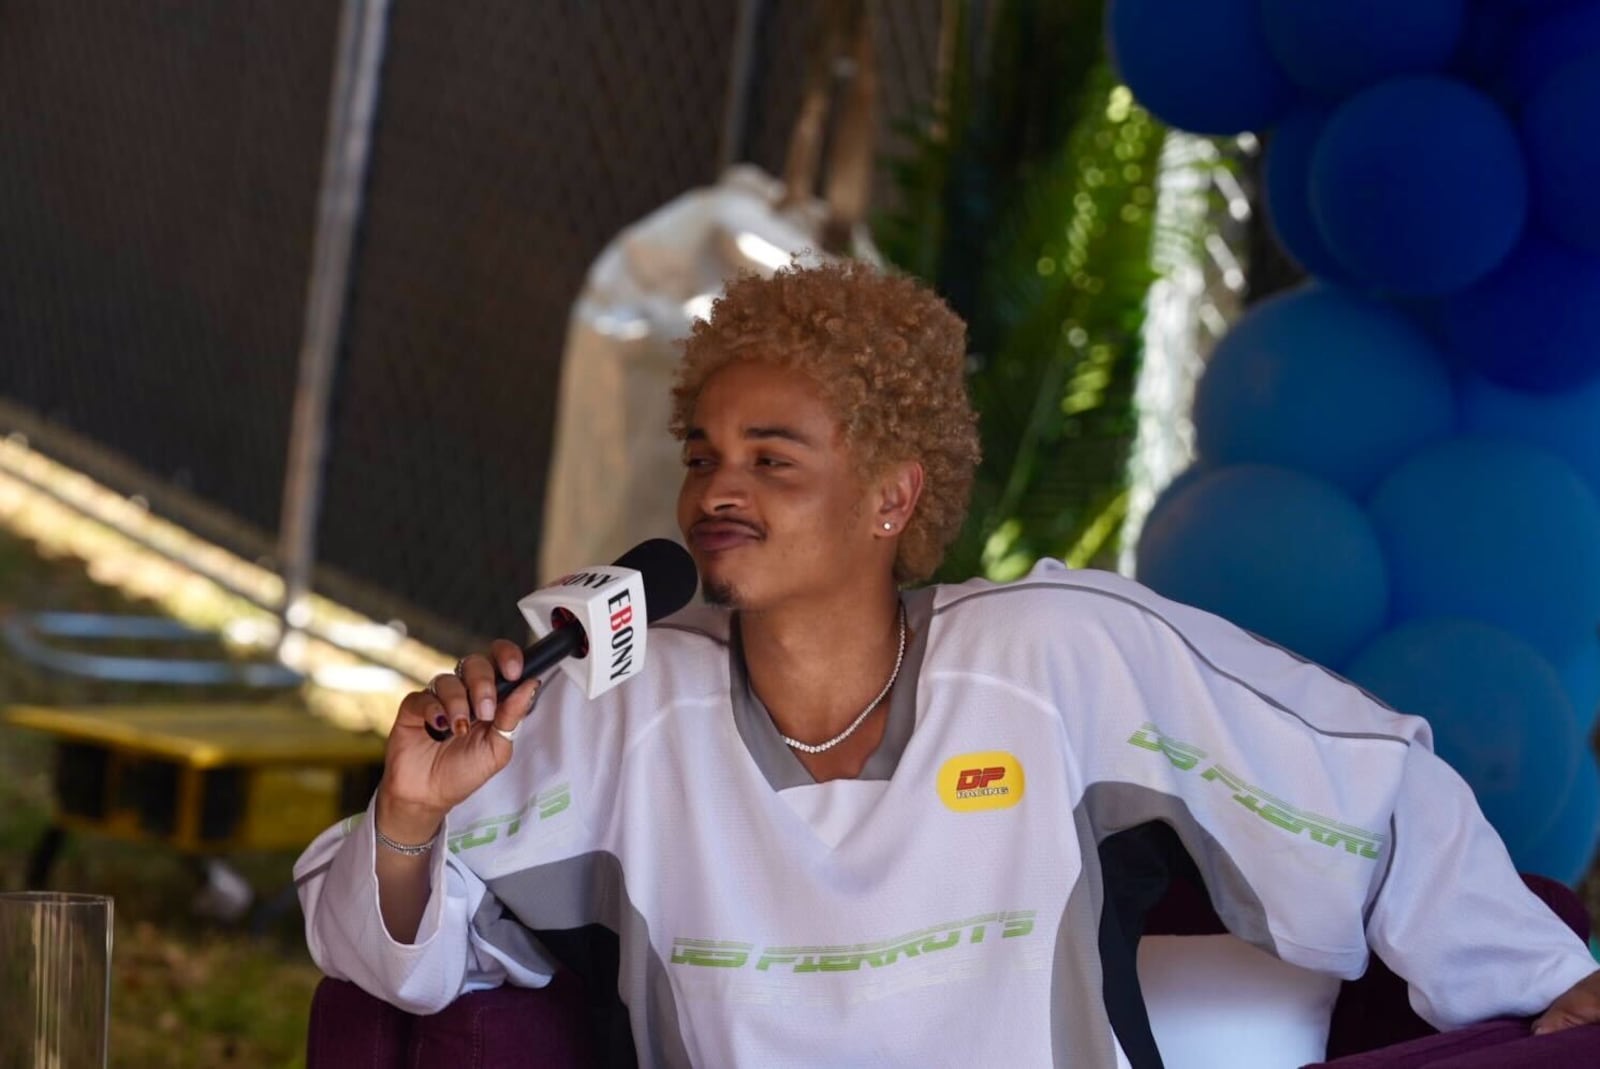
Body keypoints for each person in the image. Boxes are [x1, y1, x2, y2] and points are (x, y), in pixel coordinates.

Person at [295, 262, 1600, 1066]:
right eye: (702, 451)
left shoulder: (1055, 655)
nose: (717, 488)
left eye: (772, 455)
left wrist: (1546, 980)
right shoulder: (621, 703)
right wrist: (413, 813)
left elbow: (1364, 790)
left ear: (890, 495)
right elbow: (394, 961)